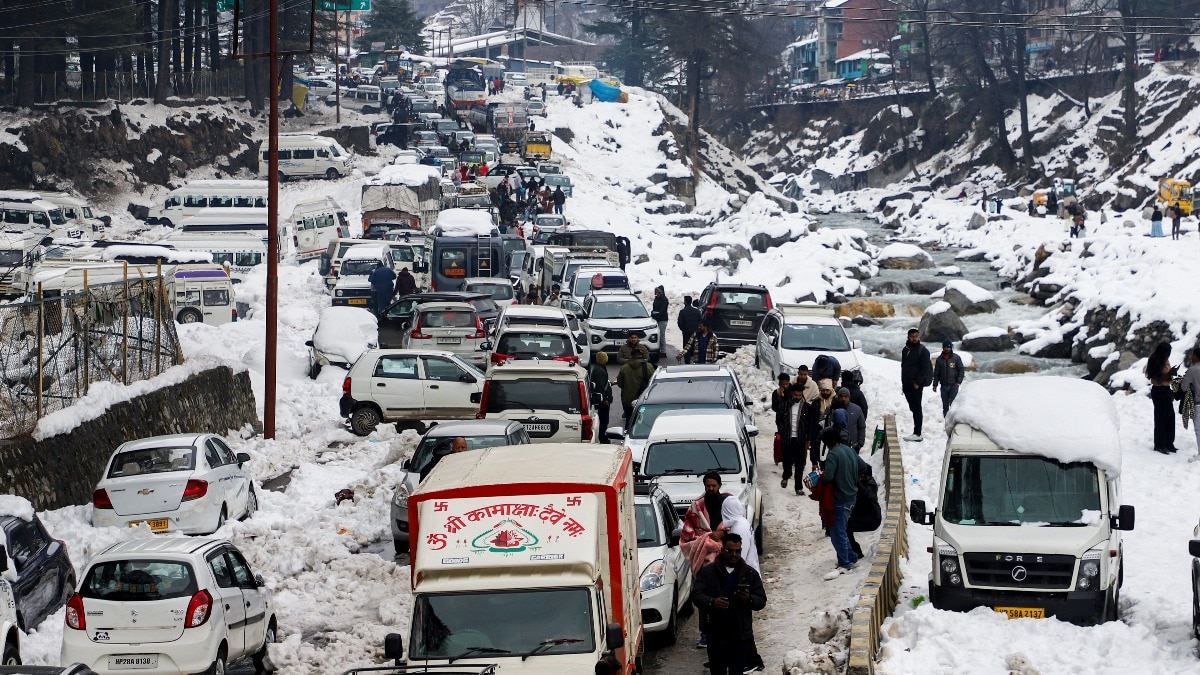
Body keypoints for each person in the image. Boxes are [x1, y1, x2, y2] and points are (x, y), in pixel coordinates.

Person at [690, 533, 767, 675]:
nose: (734, 555)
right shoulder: (708, 572)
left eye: (738, 551)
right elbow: (696, 595)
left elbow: (761, 600)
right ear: (722, 550)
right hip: (716, 636)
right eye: (730, 551)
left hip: (740, 637)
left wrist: (749, 599)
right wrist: (712, 602)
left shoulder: (749, 573)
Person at [680, 472, 729, 650]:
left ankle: (726, 630)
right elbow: (687, 535)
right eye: (708, 486)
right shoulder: (696, 508)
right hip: (704, 561)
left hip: (725, 558)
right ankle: (705, 634)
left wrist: (722, 534)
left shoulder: (728, 504)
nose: (711, 489)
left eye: (714, 486)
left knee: (726, 594)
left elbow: (736, 526)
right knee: (705, 597)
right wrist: (706, 540)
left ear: (720, 485)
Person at [719, 498, 765, 672]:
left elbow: (740, 557)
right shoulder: (742, 523)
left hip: (745, 579)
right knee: (741, 623)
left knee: (742, 624)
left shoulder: (739, 528)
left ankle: (752, 660)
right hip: (746, 576)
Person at [817, 426, 860, 580]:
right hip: (852, 497)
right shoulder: (850, 450)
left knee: (837, 533)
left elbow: (828, 477)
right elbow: (862, 466)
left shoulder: (833, 455)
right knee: (841, 530)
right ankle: (851, 557)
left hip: (840, 499)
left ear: (828, 442)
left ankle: (845, 563)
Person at [900, 329, 933, 442]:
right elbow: (904, 366)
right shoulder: (905, 350)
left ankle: (917, 433)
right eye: (912, 336)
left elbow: (924, 368)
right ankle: (916, 432)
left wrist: (918, 382)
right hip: (906, 383)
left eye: (916, 336)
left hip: (916, 385)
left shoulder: (923, 351)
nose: (914, 338)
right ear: (908, 337)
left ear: (919, 337)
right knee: (913, 407)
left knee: (917, 408)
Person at [779, 383, 811, 496]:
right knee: (787, 460)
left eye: (799, 395)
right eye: (795, 395)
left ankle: (798, 487)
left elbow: (809, 424)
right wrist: (782, 430)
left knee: (799, 464)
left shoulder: (807, 407)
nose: (797, 397)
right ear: (792, 394)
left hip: (800, 439)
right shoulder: (785, 405)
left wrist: (807, 438)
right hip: (787, 438)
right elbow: (779, 419)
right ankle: (786, 476)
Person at [1146, 341, 1177, 453]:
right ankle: (1160, 444)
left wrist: (1171, 373)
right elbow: (1157, 378)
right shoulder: (1155, 360)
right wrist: (1169, 374)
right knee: (1161, 419)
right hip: (1159, 390)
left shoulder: (1165, 360)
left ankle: (1169, 443)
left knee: (1170, 417)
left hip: (1166, 390)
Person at [616, 348, 654, 429]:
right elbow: (654, 382)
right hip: (644, 399)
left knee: (629, 421)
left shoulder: (624, 367)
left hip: (628, 400)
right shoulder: (649, 367)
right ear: (642, 356)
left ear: (632, 356)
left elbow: (620, 383)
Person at [932, 339, 965, 416]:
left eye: (948, 347)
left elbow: (961, 370)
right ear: (943, 348)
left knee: (953, 406)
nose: (947, 349)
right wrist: (935, 385)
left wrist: (958, 382)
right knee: (945, 407)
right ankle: (946, 421)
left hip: (954, 386)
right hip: (943, 386)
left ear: (951, 348)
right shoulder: (939, 359)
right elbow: (936, 373)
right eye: (945, 347)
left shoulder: (956, 358)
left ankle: (952, 421)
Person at [588, 351, 613, 443]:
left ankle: (602, 436)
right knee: (604, 419)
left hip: (602, 397)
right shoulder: (600, 371)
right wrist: (605, 399)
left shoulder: (599, 368)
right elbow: (600, 386)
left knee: (603, 419)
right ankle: (602, 437)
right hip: (602, 399)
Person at [1182, 347, 1200, 461]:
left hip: (1198, 404)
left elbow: (1184, 387)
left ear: (1196, 356)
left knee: (1199, 430)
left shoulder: (1192, 370)